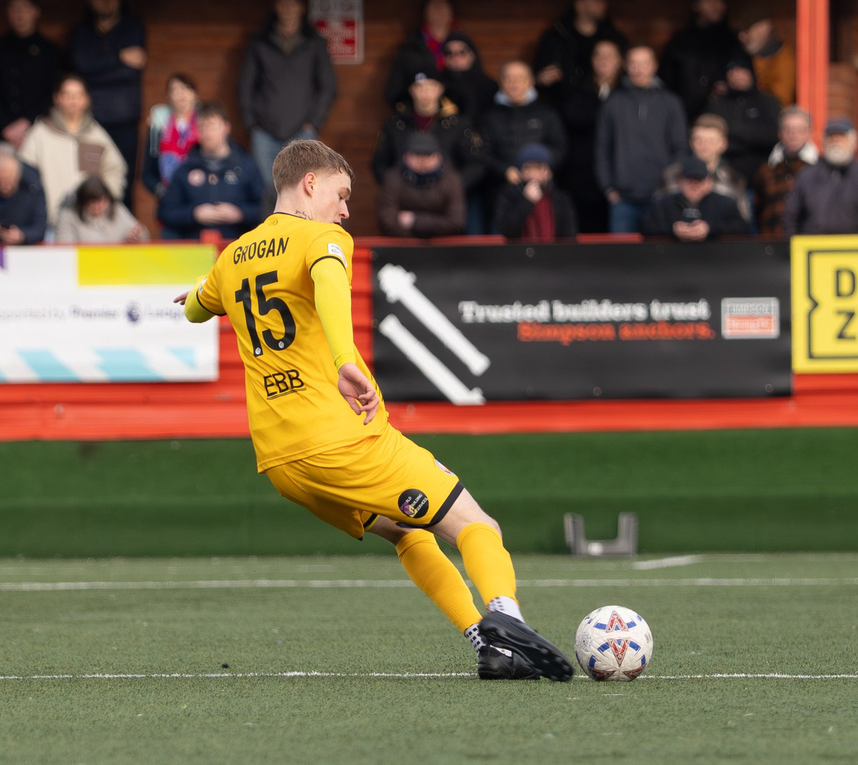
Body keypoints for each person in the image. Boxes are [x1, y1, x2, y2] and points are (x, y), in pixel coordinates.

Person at [176, 139, 575, 681]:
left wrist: (200, 291)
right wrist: (345, 359)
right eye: (341, 194)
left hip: (282, 463)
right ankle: (507, 618)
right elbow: (329, 288)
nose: (345, 210)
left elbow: (199, 308)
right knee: (477, 523)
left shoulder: (232, 257)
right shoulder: (322, 238)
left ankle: (487, 647)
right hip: (342, 440)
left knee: (407, 533)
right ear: (310, 184)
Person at [236, 0, 337, 177]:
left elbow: (328, 86)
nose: (287, 7)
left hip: (302, 131)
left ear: (302, 7)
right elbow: (245, 86)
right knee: (267, 191)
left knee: (302, 189)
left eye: (292, 2)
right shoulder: (260, 42)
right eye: (282, 2)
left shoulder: (314, 43)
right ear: (275, 6)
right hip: (264, 132)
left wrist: (313, 122)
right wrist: (252, 125)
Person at [594, 43, 687, 235]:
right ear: (626, 67)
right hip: (622, 199)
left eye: (644, 63)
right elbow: (601, 148)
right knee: (621, 259)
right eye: (633, 64)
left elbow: (680, 148)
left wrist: (669, 188)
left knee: (661, 258)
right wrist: (608, 188)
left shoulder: (671, 102)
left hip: (661, 197)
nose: (639, 69)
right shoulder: (613, 102)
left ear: (654, 66)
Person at [67, 0, 147, 181]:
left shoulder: (133, 27)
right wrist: (119, 57)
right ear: (90, 0)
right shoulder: (81, 31)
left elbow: (131, 72)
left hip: (125, 120)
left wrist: (96, 66)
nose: (106, 1)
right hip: (90, 120)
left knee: (124, 180)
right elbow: (81, 66)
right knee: (90, 179)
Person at [18, 74, 127, 218]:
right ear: (57, 98)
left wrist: (104, 200)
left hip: (90, 222)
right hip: (50, 220)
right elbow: (24, 171)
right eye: (67, 95)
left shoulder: (97, 135)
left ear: (86, 99)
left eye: (78, 95)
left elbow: (115, 171)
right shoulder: (40, 133)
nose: (73, 100)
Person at [0, 0, 68, 150]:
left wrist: (27, 121)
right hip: (3, 133)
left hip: (42, 130)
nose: (19, 13)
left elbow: (53, 92)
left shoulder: (50, 51)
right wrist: (6, 127)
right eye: (14, 8)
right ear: (7, 12)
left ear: (36, 11)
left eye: (25, 8)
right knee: (3, 170)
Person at [158, 106, 261, 243]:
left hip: (238, 247)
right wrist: (193, 214)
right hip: (193, 249)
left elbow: (266, 208)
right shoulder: (184, 169)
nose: (206, 133)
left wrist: (241, 214)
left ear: (226, 127)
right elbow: (165, 212)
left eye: (212, 126)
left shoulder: (247, 166)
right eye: (201, 127)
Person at [480, 60, 568, 219]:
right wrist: (505, 171)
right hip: (501, 192)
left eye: (520, 78)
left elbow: (559, 148)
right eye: (508, 78)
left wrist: (541, 170)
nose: (514, 83)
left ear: (530, 82)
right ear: (501, 82)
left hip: (543, 192)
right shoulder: (490, 117)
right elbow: (482, 153)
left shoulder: (547, 114)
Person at [369, 70, 480, 187]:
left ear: (441, 89)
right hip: (403, 196)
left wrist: (454, 185)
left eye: (431, 86)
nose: (425, 92)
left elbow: (476, 162)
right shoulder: (395, 124)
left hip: (448, 196)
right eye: (419, 87)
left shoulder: (458, 124)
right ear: (411, 90)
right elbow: (379, 162)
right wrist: (395, 185)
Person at [555, 37, 622, 231]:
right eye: (598, 55)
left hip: (621, 174)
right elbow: (570, 115)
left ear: (619, 61)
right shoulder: (578, 89)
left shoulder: (629, 93)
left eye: (609, 56)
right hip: (583, 173)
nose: (603, 60)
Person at [784, 117, 858, 235]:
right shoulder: (806, 176)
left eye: (841, 136)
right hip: (813, 250)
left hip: (855, 251)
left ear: (854, 142)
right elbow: (790, 219)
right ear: (822, 142)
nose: (835, 141)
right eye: (830, 136)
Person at [532, 0, 626, 93]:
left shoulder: (613, 37)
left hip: (605, 100)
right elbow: (538, 76)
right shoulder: (557, 37)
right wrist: (541, 79)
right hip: (564, 103)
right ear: (579, 4)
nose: (603, 3)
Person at [660, 0, 735, 116]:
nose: (716, 4)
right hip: (685, 115)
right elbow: (666, 82)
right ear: (695, 5)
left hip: (722, 117)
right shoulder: (679, 43)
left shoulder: (732, 42)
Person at [380, 0, 461, 108]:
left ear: (451, 11)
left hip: (458, 118)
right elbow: (393, 91)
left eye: (443, 5)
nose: (439, 10)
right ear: (425, 11)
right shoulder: (410, 48)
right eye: (434, 5)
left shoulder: (464, 47)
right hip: (419, 117)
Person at [378, 132, 466, 238]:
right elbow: (387, 220)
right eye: (417, 155)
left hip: (443, 246)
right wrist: (414, 241)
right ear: (406, 157)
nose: (423, 161)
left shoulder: (451, 180)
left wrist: (415, 221)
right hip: (402, 245)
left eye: (428, 155)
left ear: (439, 157)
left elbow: (456, 222)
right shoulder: (393, 178)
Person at [706, 56, 781, 180]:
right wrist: (751, 135)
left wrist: (733, 129)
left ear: (751, 73)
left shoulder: (768, 102)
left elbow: (773, 135)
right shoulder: (717, 104)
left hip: (762, 175)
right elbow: (712, 135)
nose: (736, 75)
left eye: (741, 70)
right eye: (732, 71)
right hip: (726, 175)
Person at [644, 155, 751, 241]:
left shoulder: (726, 202)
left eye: (699, 181)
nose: (695, 186)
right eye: (690, 181)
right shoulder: (664, 202)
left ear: (708, 182)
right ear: (680, 182)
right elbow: (646, 227)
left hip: (715, 258)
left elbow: (743, 228)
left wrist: (710, 229)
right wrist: (673, 229)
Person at [753, 105, 817, 237]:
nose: (793, 134)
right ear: (779, 133)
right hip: (772, 243)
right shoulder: (766, 170)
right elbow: (757, 210)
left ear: (809, 132)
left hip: (808, 243)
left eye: (799, 129)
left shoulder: (820, 169)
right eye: (788, 129)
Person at [493, 145, 577, 243]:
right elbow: (507, 230)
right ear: (521, 172)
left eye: (539, 167)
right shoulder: (509, 195)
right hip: (519, 255)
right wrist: (526, 201)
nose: (533, 173)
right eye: (528, 168)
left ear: (548, 172)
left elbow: (569, 237)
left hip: (552, 255)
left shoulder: (561, 199)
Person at [142, 72, 203, 201]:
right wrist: (162, 192)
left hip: (201, 194)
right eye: (175, 90)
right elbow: (147, 172)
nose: (181, 94)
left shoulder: (204, 124)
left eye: (186, 88)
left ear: (195, 94)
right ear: (168, 96)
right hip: (169, 196)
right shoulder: (159, 127)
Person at [668, 112, 747, 203]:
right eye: (698, 139)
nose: (704, 146)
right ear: (691, 142)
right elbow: (660, 213)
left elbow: (741, 215)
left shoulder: (734, 179)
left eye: (711, 140)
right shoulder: (672, 175)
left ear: (723, 144)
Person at [51, 174, 147, 245]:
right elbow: (64, 249)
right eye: (93, 202)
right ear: (83, 201)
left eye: (103, 201)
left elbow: (142, 234)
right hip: (82, 267)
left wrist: (138, 235)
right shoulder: (68, 215)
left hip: (117, 265)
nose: (99, 206)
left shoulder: (117, 209)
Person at [736, 17, 796, 108]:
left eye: (747, 30)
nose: (742, 37)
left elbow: (780, 103)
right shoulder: (745, 56)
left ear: (764, 28)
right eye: (740, 32)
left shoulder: (785, 59)